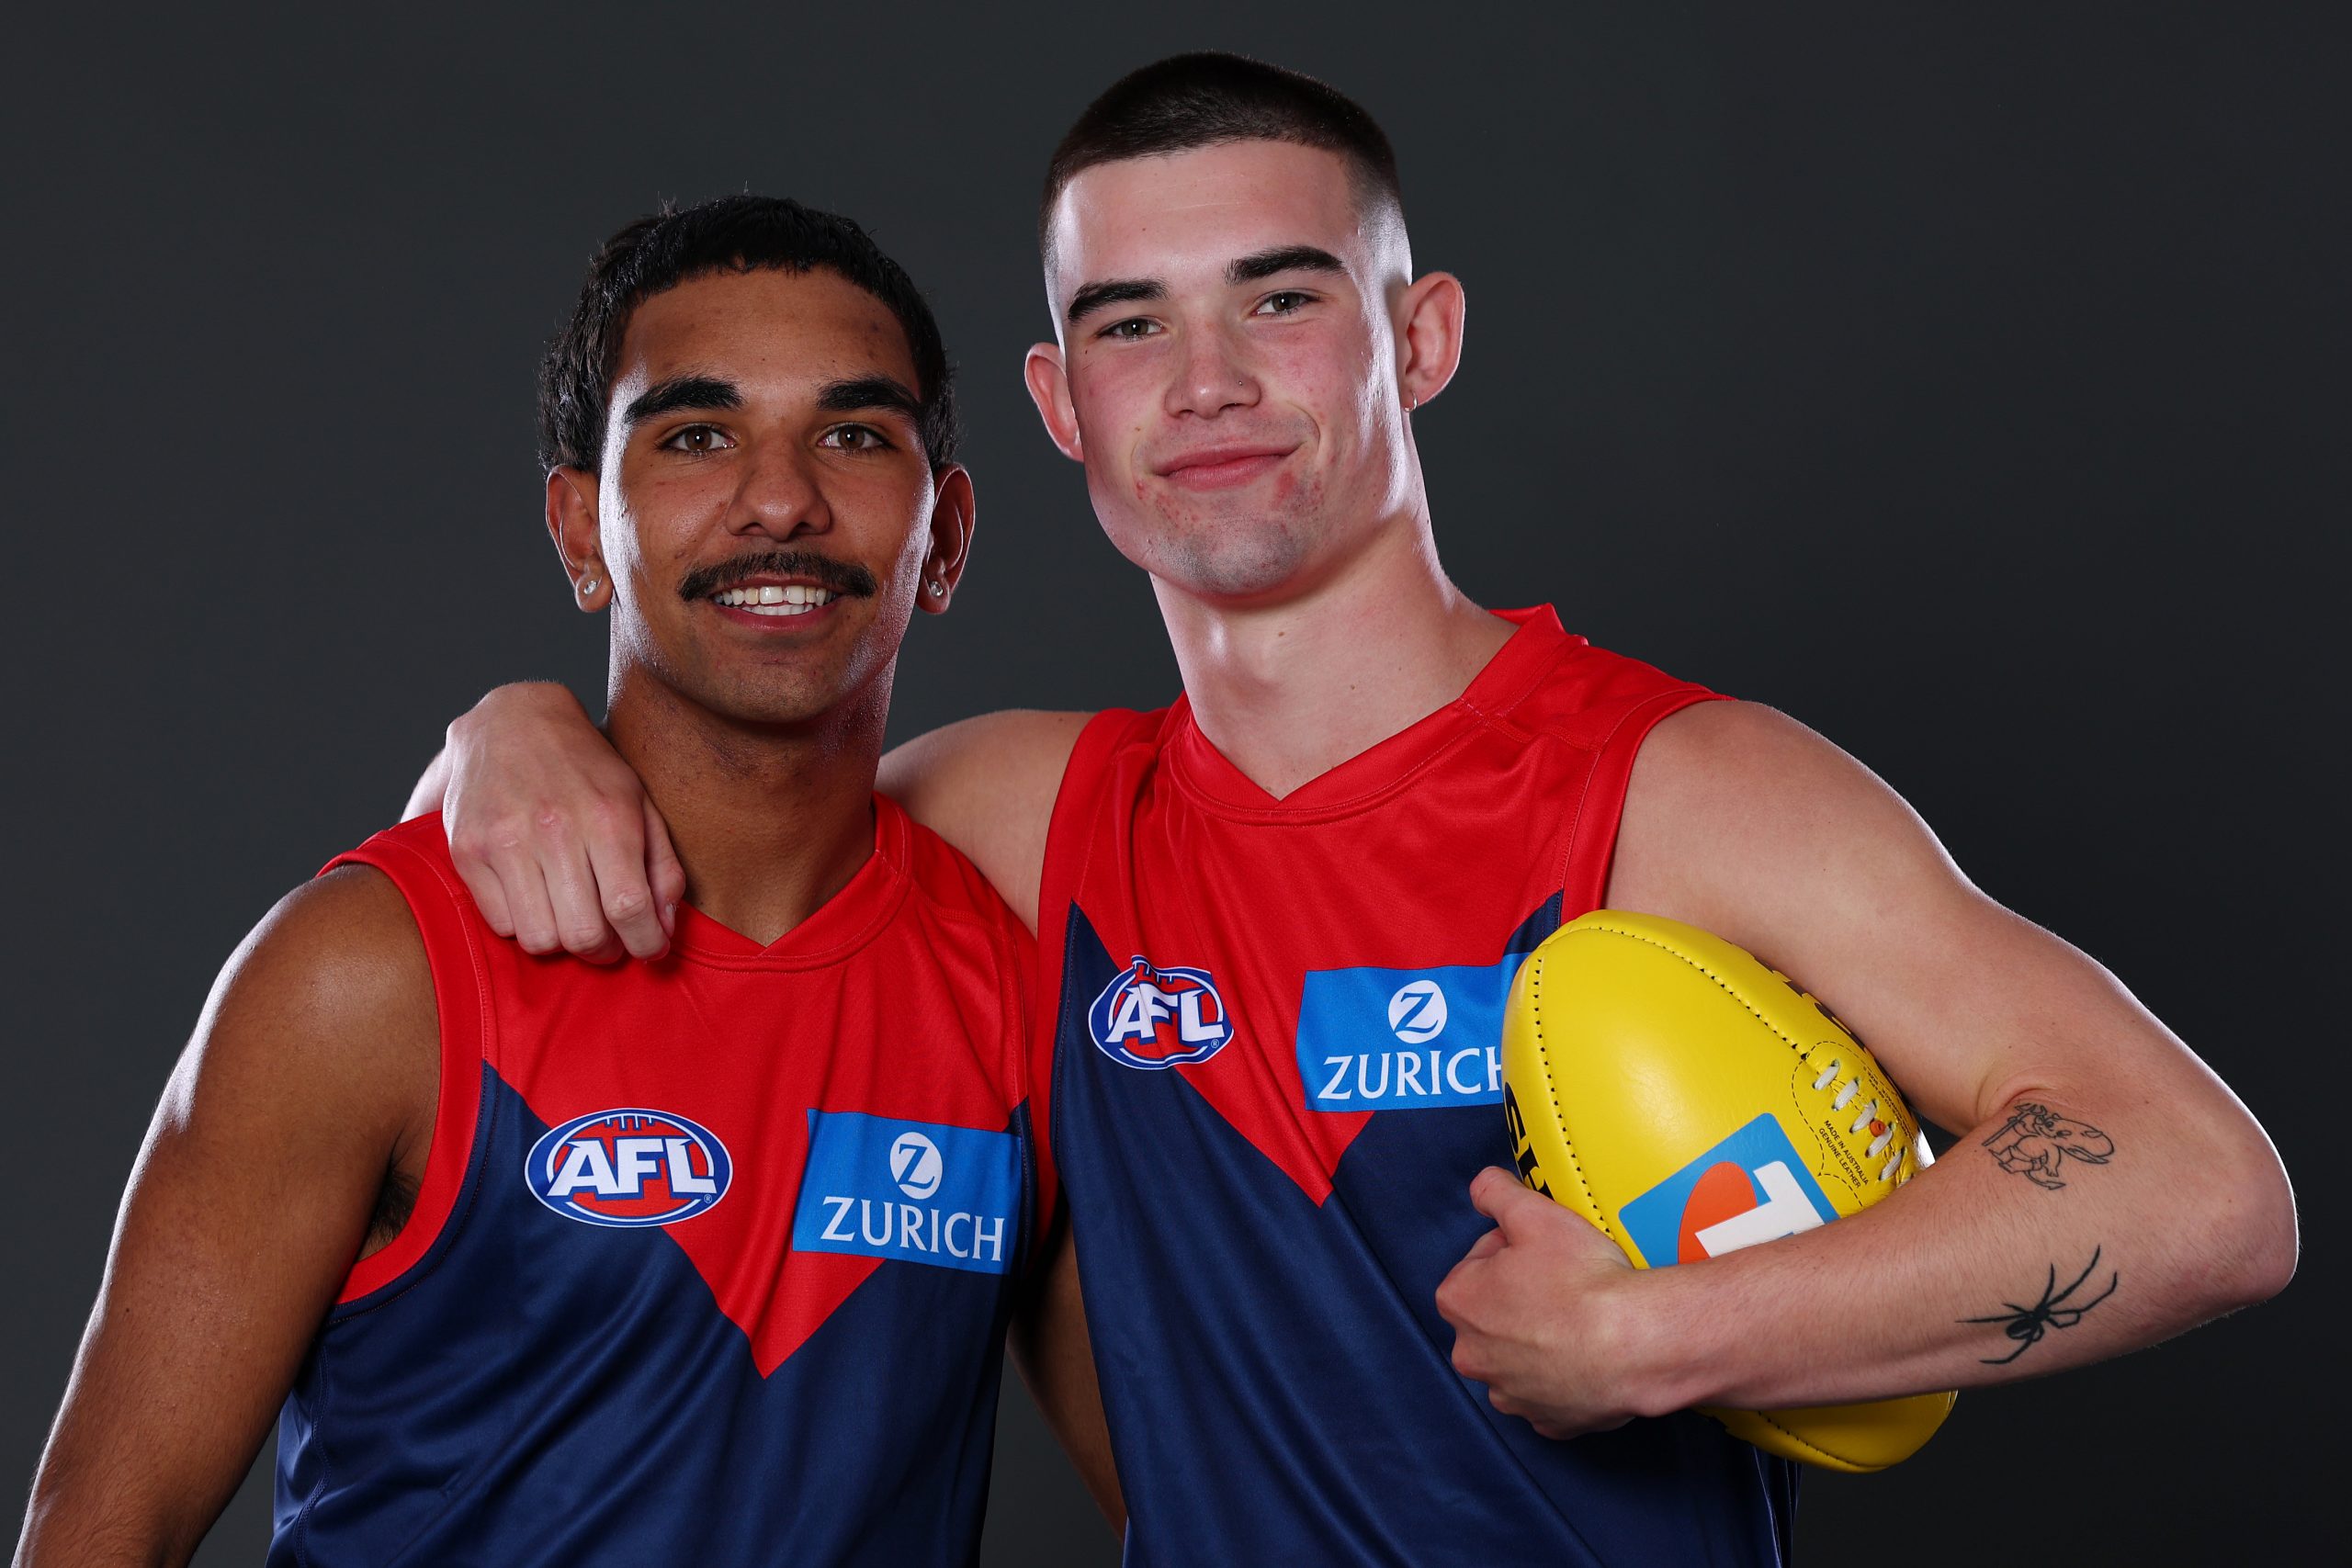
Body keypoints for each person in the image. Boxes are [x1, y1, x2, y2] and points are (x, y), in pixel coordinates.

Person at [414, 56, 2297, 1566]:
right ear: (1063, 407)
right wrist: (499, 731)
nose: (1210, 381)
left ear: (1419, 339)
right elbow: (705, 814)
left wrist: (1665, 1337)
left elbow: (2205, 1191)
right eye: (1135, 325)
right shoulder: (1020, 813)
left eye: (1282, 298)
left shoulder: (1671, 786)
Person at [15, 194, 1112, 1567]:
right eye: (697, 436)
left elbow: (1208, 1494)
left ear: (944, 540)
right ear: (582, 530)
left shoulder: (1023, 1001)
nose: (780, 497)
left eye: (852, 434)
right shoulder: (367, 978)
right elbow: (95, 1540)